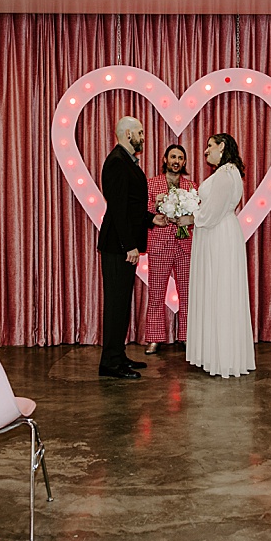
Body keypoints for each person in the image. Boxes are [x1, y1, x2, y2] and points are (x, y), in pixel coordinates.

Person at [185, 133, 255, 380]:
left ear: (222, 146)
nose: (205, 152)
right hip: (216, 233)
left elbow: (211, 212)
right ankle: (215, 353)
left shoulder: (226, 174)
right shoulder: (226, 172)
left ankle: (222, 357)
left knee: (220, 290)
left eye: (209, 147)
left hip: (218, 235)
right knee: (216, 290)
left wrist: (188, 217)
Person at [97, 116, 151, 380]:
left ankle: (118, 355)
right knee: (116, 304)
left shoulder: (125, 161)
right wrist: (129, 245)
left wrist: (153, 219)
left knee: (121, 303)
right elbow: (118, 208)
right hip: (118, 246)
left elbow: (132, 206)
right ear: (128, 134)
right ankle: (110, 362)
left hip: (122, 245)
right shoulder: (118, 162)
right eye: (140, 132)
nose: (143, 136)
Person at [142, 144, 196, 354]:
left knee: (188, 293)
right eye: (173, 156)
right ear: (165, 159)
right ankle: (155, 338)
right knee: (156, 293)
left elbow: (198, 213)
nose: (176, 161)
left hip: (185, 245)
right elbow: (143, 212)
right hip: (159, 244)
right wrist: (156, 207)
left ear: (184, 162)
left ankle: (187, 336)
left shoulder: (191, 186)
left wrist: (187, 220)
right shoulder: (151, 184)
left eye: (180, 158)